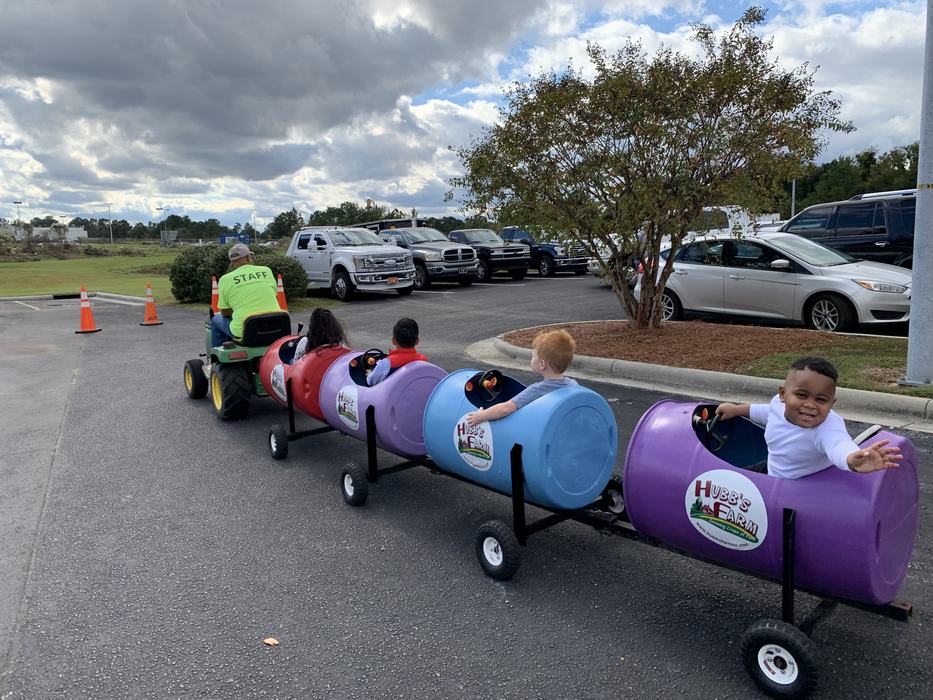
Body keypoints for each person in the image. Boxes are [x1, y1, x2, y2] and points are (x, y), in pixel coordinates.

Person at [715, 356, 902, 479]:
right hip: (772, 468)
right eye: (802, 395)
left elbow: (838, 444)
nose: (810, 405)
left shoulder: (827, 427)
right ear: (783, 394)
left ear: (831, 403)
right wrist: (736, 410)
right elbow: (766, 412)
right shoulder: (777, 405)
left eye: (821, 400)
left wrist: (852, 459)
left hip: (799, 485)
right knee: (730, 480)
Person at [466, 329, 577, 426]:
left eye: (533, 356)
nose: (532, 359)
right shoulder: (573, 385)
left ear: (542, 364)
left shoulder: (537, 390)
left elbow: (505, 409)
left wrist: (479, 416)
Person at [210, 243, 282, 347]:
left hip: (246, 331)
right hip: (276, 326)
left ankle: (216, 357)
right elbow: (273, 295)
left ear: (232, 261)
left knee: (215, 320)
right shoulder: (266, 271)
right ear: (248, 257)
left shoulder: (225, 279)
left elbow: (225, 312)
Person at [366, 317, 427, 386]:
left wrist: (369, 373)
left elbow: (371, 381)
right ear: (417, 341)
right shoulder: (424, 361)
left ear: (393, 340)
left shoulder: (387, 363)